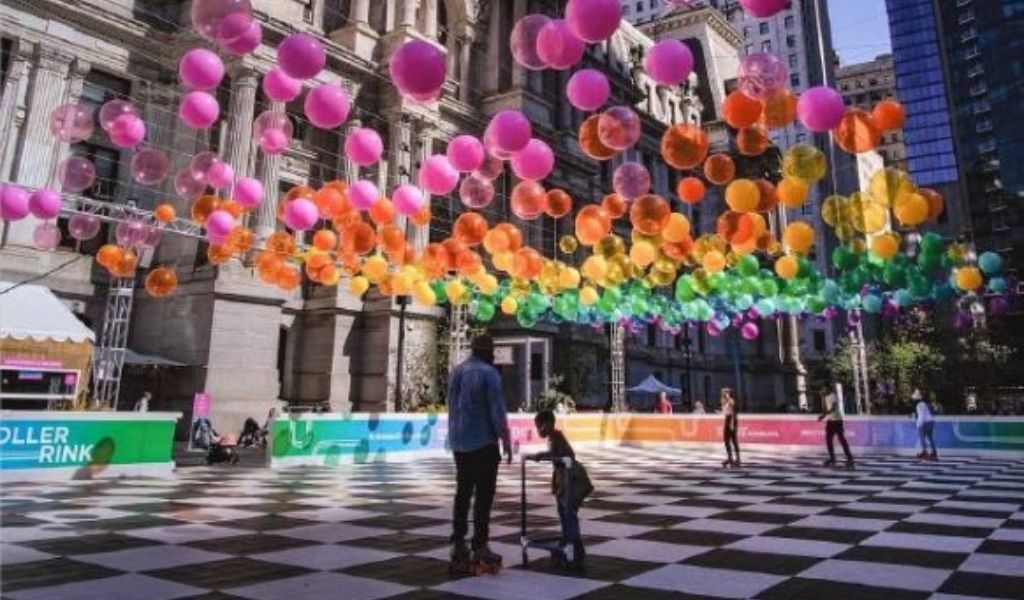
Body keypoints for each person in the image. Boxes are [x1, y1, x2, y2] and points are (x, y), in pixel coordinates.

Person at [446, 335, 512, 573]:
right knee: (484, 496)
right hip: (483, 443)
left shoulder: (457, 371)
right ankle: (480, 544)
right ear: (488, 352)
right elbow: (497, 411)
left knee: (463, 492)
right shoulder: (488, 373)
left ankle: (458, 543)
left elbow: (451, 407)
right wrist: (506, 440)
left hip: (459, 442)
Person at [530, 410, 593, 571]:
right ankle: (568, 544)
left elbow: (561, 454)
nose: (539, 431)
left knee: (568, 514)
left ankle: (574, 548)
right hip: (563, 478)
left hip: (570, 479)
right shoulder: (553, 437)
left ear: (549, 424)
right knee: (565, 514)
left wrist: (542, 455)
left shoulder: (556, 436)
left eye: (540, 427)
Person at [818, 385, 854, 469]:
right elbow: (824, 408)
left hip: (837, 420)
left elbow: (833, 408)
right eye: (823, 389)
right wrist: (822, 398)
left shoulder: (833, 395)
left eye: (824, 388)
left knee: (842, 440)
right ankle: (832, 458)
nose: (823, 390)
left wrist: (823, 415)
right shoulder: (826, 397)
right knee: (828, 440)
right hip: (830, 421)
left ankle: (850, 458)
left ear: (828, 388)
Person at [914, 392, 938, 461]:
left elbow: (921, 415)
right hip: (931, 421)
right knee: (930, 438)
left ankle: (924, 452)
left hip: (924, 423)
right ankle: (934, 452)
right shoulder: (924, 404)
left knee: (922, 438)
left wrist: (919, 424)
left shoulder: (919, 405)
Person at [720, 388, 740, 468]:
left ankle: (738, 459)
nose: (723, 393)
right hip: (727, 419)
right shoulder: (723, 400)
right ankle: (730, 458)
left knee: (733, 440)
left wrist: (731, 424)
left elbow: (733, 410)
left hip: (732, 420)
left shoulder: (731, 400)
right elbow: (726, 410)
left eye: (725, 392)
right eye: (723, 392)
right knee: (726, 440)